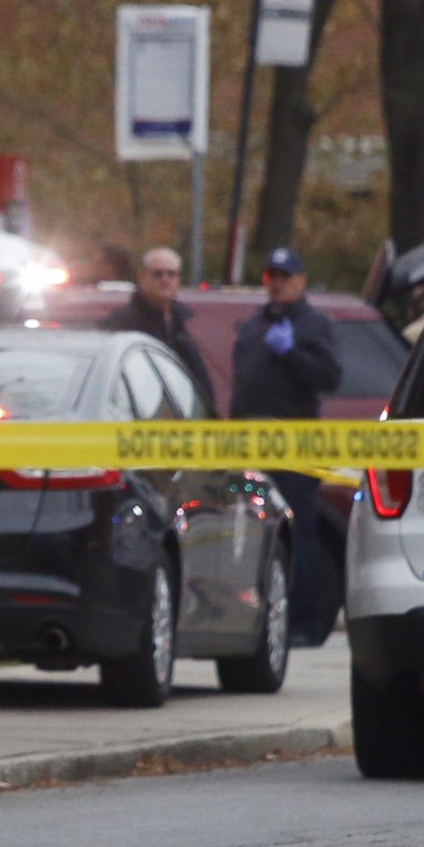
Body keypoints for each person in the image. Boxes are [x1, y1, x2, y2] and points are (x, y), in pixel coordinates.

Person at [230, 245, 343, 644]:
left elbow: (329, 377)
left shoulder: (313, 324)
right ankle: (260, 620)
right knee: (253, 537)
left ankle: (305, 623)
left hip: (294, 448)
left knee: (300, 535)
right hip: (251, 447)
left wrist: (292, 353)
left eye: (284, 277)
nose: (276, 284)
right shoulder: (254, 325)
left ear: (300, 282)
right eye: (270, 277)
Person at [102, 247, 218, 413]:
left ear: (179, 279)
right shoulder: (121, 325)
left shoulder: (180, 324)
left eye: (172, 274)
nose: (165, 280)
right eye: (158, 274)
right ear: (142, 277)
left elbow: (200, 385)